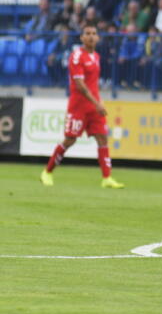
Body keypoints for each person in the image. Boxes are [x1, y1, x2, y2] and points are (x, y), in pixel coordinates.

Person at [40, 23, 124, 189]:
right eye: (88, 33)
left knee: (102, 138)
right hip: (79, 106)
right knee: (70, 140)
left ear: (98, 37)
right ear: (82, 37)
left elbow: (92, 84)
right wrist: (96, 103)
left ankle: (107, 178)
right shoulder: (77, 56)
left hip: (94, 106)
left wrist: (99, 101)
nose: (91, 36)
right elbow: (80, 84)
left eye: (94, 33)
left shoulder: (96, 56)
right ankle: (47, 172)